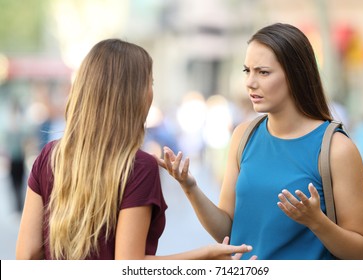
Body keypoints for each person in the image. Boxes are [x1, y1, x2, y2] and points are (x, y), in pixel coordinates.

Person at [15, 39, 253, 260]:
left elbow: (26, 255)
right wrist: (205, 256)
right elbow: (129, 266)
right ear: (133, 94)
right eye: (149, 82)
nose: (152, 91)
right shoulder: (138, 167)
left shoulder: (49, 156)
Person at [157, 23, 363, 260]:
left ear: (295, 75)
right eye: (247, 70)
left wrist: (316, 221)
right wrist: (190, 186)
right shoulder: (243, 136)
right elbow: (227, 231)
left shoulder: (336, 149)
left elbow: (359, 251)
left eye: (263, 72)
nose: (250, 82)